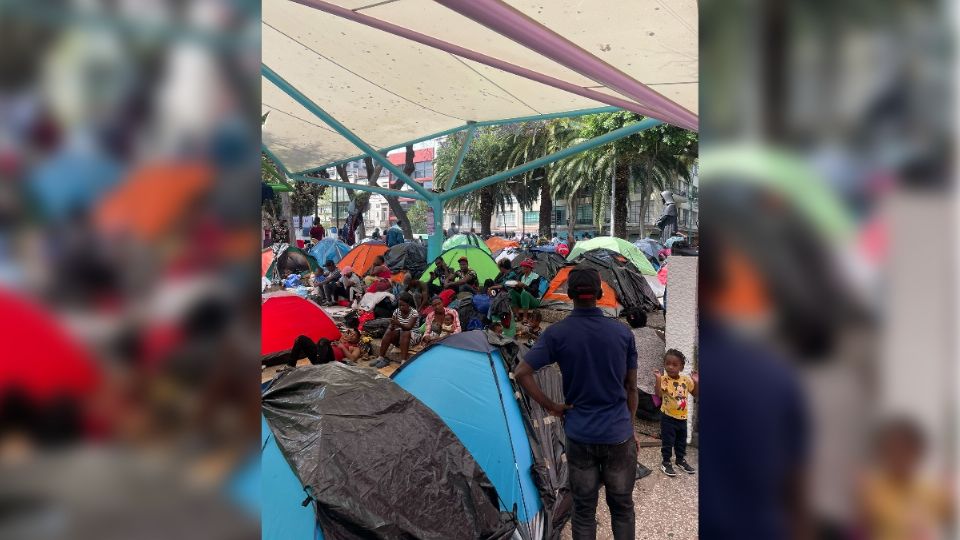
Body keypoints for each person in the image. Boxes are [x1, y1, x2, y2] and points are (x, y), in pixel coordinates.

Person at [515, 266, 639, 539]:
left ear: (568, 294)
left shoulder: (557, 334)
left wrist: (552, 406)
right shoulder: (622, 334)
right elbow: (631, 387)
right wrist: (629, 428)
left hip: (580, 434)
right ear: (599, 293)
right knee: (622, 507)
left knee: (583, 510)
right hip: (618, 435)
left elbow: (522, 373)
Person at [653, 349, 698, 476]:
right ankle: (666, 462)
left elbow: (695, 393)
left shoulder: (685, 380)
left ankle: (680, 460)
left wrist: (696, 381)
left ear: (681, 367)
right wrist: (658, 379)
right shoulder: (664, 379)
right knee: (668, 441)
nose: (670, 367)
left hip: (682, 418)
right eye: (668, 364)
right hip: (668, 417)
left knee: (681, 441)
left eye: (674, 364)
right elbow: (658, 394)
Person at [624, 308, 666, 422]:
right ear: (646, 319)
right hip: (664, 391)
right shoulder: (659, 334)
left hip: (641, 395)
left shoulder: (627, 337)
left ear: (628, 321)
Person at [371, 293, 419, 368]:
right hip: (401, 336)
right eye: (399, 305)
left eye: (403, 305)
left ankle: (403, 361)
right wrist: (392, 326)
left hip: (412, 336)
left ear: (409, 305)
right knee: (389, 331)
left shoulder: (414, 313)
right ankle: (381, 357)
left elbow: (408, 327)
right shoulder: (396, 311)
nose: (400, 307)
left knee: (405, 331)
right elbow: (392, 326)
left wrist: (398, 324)